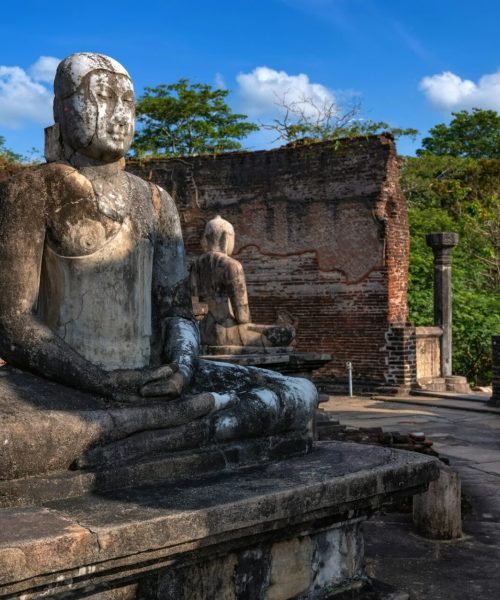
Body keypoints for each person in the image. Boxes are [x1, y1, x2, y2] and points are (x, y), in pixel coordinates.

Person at [0, 53, 316, 457]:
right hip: (60, 383)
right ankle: (161, 428)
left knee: (296, 392)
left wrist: (182, 369)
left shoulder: (153, 200)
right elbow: (12, 324)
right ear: (62, 108)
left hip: (151, 379)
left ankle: (148, 433)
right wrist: (100, 382)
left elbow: (177, 312)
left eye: (127, 102)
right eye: (101, 97)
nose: (117, 115)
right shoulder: (32, 192)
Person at [191, 215, 296, 350]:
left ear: (207, 238)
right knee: (286, 333)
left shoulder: (195, 266)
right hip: (226, 331)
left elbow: (196, 308)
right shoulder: (231, 266)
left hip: (202, 332)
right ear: (225, 238)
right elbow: (242, 317)